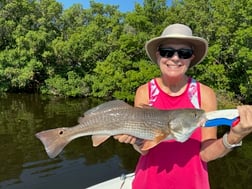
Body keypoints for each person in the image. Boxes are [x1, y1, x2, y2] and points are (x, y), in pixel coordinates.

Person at [114, 23, 252, 189]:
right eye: (167, 52)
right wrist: (135, 141)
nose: (175, 58)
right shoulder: (144, 91)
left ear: (191, 57)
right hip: (148, 183)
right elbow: (145, 150)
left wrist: (234, 137)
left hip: (192, 184)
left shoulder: (205, 94)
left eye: (184, 53)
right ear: (158, 55)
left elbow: (206, 154)